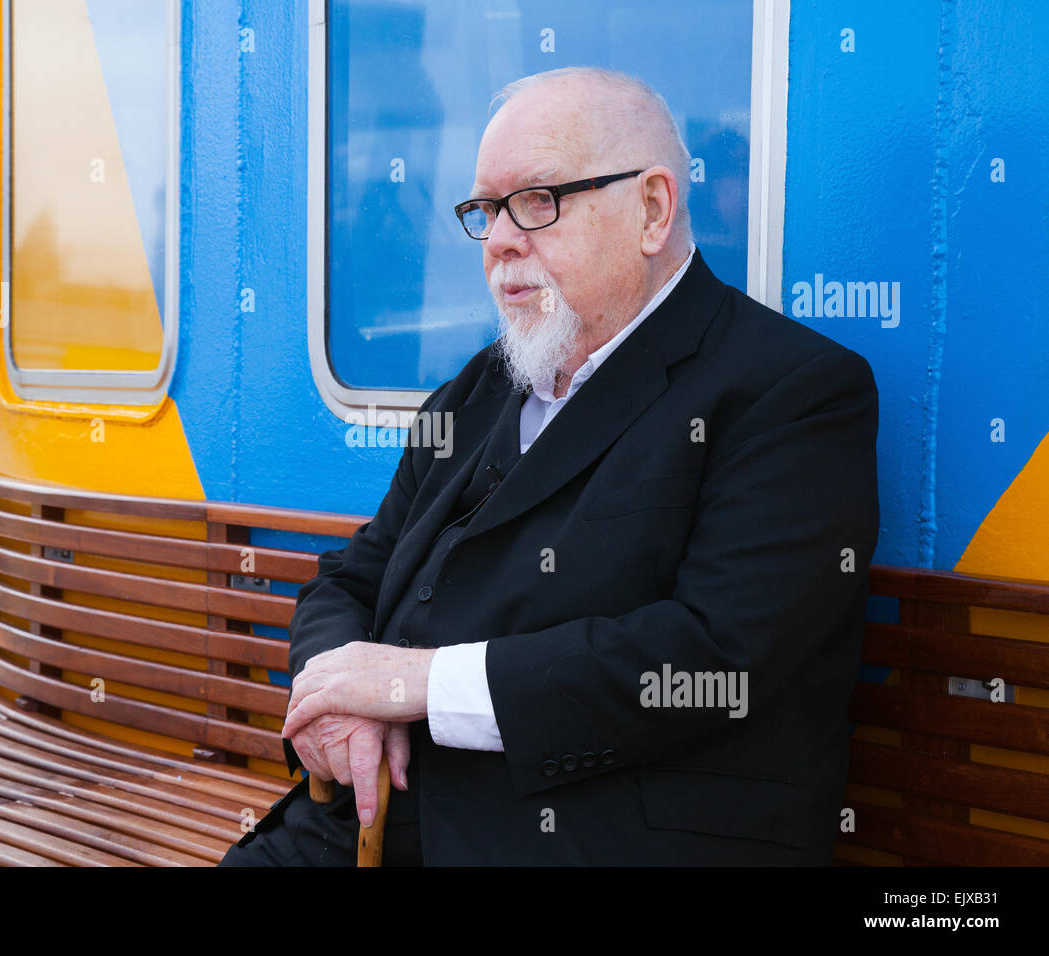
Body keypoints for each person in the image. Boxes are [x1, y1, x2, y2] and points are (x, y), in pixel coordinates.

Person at [220, 66, 879, 866]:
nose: (498, 239)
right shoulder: (478, 390)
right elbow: (351, 578)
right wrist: (338, 700)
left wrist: (418, 685)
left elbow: (714, 657)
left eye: (537, 201)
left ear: (652, 209)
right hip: (374, 820)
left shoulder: (789, 390)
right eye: (485, 210)